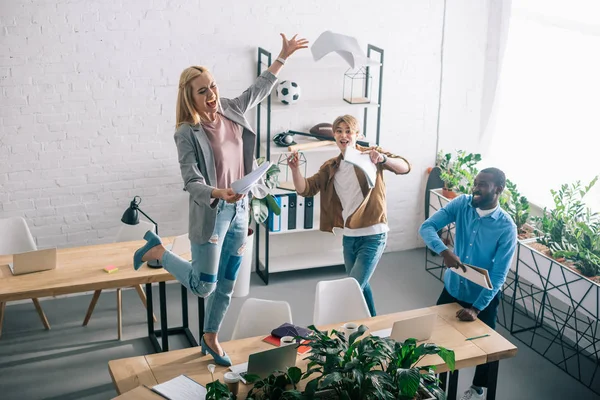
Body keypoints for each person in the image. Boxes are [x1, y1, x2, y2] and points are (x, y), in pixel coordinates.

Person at [132, 34, 308, 366]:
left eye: (212, 86)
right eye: (203, 91)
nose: (211, 94)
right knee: (203, 286)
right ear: (190, 97)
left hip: (241, 210)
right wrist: (218, 192)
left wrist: (282, 56)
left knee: (227, 281)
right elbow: (191, 180)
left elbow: (259, 88)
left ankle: (211, 337)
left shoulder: (230, 108)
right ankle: (158, 251)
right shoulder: (186, 132)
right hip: (214, 213)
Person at [288, 115, 411, 316]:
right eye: (339, 131)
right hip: (350, 236)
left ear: (357, 135)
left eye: (348, 131)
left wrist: (383, 159)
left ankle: (335, 326)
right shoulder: (331, 166)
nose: (343, 135)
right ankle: (373, 327)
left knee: (350, 288)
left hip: (373, 234)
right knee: (361, 285)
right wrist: (295, 170)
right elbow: (306, 189)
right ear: (334, 136)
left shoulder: (372, 156)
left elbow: (405, 167)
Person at [419, 168, 517, 400]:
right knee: (432, 337)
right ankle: (431, 384)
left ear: (498, 190)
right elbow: (426, 227)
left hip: (482, 296)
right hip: (453, 288)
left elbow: (499, 274)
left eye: (482, 184)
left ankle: (477, 389)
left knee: (485, 349)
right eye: (475, 183)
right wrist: (443, 251)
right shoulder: (462, 204)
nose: (475, 189)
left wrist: (476, 308)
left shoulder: (506, 227)